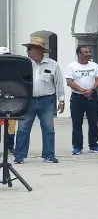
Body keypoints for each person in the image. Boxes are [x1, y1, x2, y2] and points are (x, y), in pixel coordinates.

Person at [12, 35, 65, 164]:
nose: (28, 52)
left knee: (48, 128)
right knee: (23, 128)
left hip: (47, 100)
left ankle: (49, 155)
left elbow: (59, 82)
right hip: (27, 100)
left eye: (31, 49)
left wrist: (61, 100)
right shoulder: (23, 64)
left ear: (39, 50)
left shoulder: (52, 64)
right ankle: (19, 156)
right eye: (28, 49)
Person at [65, 44, 98, 156]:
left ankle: (94, 145)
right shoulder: (71, 66)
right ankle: (77, 146)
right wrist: (83, 91)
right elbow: (70, 82)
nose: (89, 54)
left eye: (89, 52)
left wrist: (91, 90)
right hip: (77, 98)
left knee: (93, 122)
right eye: (86, 52)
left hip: (92, 96)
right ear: (79, 54)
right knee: (77, 123)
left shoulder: (94, 65)